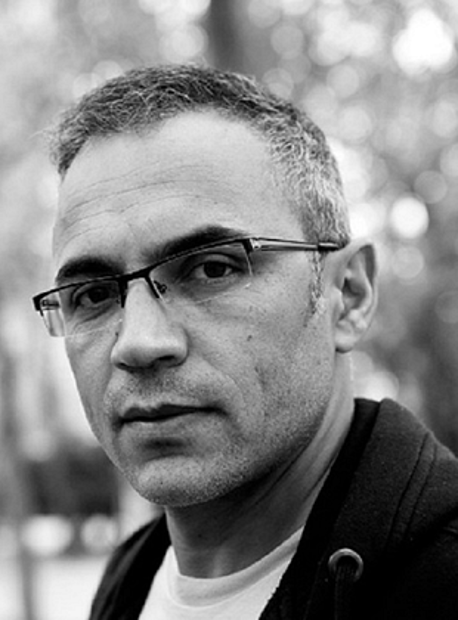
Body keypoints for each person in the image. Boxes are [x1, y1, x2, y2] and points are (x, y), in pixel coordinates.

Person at [33, 65, 458, 620]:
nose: (138, 343)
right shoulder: (130, 579)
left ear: (349, 295)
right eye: (92, 295)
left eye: (212, 269)